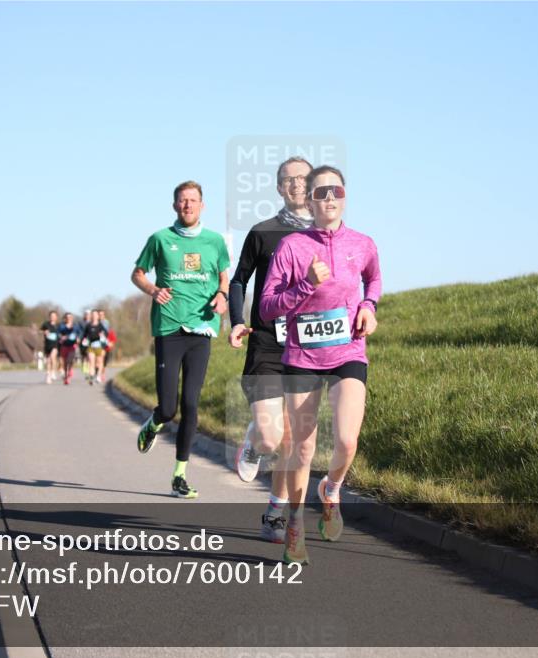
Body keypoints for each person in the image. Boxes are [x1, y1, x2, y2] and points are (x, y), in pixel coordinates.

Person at [259, 165, 381, 564]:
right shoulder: (292, 247)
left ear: (345, 197)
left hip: (348, 351)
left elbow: (374, 279)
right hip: (303, 356)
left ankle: (331, 488)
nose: (329, 198)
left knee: (347, 441)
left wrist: (368, 306)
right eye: (321, 192)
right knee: (303, 447)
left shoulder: (362, 244)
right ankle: (295, 523)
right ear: (309, 201)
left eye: (336, 191)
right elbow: (267, 307)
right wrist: (306, 284)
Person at [229, 156, 314, 543]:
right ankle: (254, 441)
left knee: (292, 440)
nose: (296, 184)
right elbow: (239, 281)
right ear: (280, 188)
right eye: (288, 179)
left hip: (307, 348)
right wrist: (236, 320)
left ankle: (274, 515)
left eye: (303, 178)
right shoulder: (263, 232)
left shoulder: (327, 236)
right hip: (266, 343)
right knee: (270, 437)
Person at [131, 180, 230, 499]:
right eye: (182, 200)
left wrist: (223, 295)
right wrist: (153, 290)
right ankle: (154, 422)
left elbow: (224, 277)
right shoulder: (160, 239)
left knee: (190, 404)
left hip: (202, 328)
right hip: (169, 328)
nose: (187, 205)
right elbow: (137, 273)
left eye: (193, 200)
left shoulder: (215, 241)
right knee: (169, 408)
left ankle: (179, 475)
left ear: (202, 205)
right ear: (175, 205)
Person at [81, 309, 107, 385]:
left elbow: (106, 334)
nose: (94, 316)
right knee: (91, 362)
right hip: (91, 346)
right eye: (93, 315)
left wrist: (102, 335)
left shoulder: (101, 325)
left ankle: (98, 375)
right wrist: (84, 340)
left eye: (95, 315)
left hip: (99, 346)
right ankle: (91, 377)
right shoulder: (88, 325)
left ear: (98, 316)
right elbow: (84, 335)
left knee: (99, 362)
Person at [57, 312, 81, 385]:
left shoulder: (75, 326)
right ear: (65, 318)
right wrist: (61, 337)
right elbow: (58, 333)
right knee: (65, 362)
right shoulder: (61, 326)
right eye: (67, 317)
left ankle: (69, 370)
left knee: (69, 360)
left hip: (72, 345)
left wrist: (78, 338)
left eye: (70, 317)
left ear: (72, 318)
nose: (69, 319)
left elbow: (80, 333)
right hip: (64, 345)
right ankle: (66, 376)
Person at [40, 310, 61, 384]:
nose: (52, 317)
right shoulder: (46, 324)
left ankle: (53, 371)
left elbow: (62, 332)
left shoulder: (59, 325)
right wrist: (44, 332)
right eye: (51, 316)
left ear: (56, 317)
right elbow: (40, 331)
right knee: (48, 360)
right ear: (49, 317)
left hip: (55, 344)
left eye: (54, 316)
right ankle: (48, 375)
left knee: (53, 357)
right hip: (48, 344)